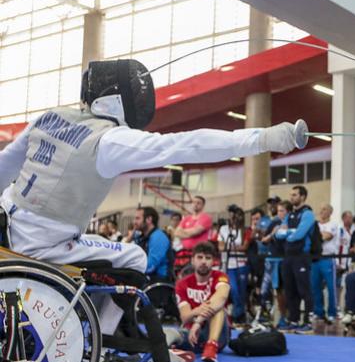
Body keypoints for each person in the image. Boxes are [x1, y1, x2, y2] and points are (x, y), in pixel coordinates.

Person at [0, 58, 305, 338]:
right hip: (42, 244)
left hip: (5, 230)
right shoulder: (109, 139)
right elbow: (188, 145)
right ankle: (102, 335)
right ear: (123, 99)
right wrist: (265, 138)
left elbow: (4, 167)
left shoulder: (50, 118)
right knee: (136, 257)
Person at [174, 242, 231, 362]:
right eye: (200, 257)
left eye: (208, 258)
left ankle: (211, 346)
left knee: (219, 309)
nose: (204, 261)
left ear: (213, 262)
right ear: (192, 260)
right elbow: (184, 317)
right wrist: (197, 310)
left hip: (218, 334)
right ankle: (168, 350)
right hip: (192, 336)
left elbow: (221, 297)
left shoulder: (221, 277)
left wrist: (198, 321)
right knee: (168, 333)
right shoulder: (182, 283)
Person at [275, 186, 316, 333]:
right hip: (288, 256)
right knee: (290, 290)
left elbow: (299, 234)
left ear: (303, 196)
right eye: (291, 195)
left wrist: (288, 233)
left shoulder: (308, 214)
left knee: (304, 289)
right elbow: (278, 233)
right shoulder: (290, 215)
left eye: (295, 195)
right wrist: (289, 232)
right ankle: (294, 319)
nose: (291, 197)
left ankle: (308, 322)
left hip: (301, 256)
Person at [260, 200, 291, 328]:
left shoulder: (293, 222)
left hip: (290, 259)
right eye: (278, 211)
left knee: (290, 290)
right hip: (274, 260)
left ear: (288, 212)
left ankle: (292, 317)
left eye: (282, 211)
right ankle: (282, 317)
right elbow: (264, 240)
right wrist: (274, 233)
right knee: (278, 290)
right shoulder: (275, 222)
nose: (279, 213)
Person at [217, 205, 249, 324]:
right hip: (228, 264)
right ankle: (236, 314)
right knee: (233, 289)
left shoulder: (245, 230)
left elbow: (245, 247)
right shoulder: (224, 229)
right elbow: (220, 247)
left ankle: (240, 314)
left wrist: (228, 246)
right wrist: (233, 247)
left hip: (241, 264)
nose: (234, 218)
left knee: (242, 290)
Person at [312, 203, 338, 322]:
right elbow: (314, 238)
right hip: (315, 259)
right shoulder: (315, 224)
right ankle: (318, 312)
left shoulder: (333, 224)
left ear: (330, 212)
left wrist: (317, 236)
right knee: (315, 286)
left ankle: (332, 312)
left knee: (331, 287)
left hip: (328, 259)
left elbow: (327, 236)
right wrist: (318, 236)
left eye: (324, 209)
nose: (321, 211)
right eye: (321, 209)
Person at [173, 196, 212, 273]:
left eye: (198, 203)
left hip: (199, 253)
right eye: (194, 202)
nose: (196, 204)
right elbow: (176, 233)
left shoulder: (206, 218)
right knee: (182, 276)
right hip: (184, 253)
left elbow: (195, 231)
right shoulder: (186, 218)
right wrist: (190, 233)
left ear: (203, 205)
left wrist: (184, 232)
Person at [133, 206, 170, 281]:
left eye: (137, 218)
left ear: (149, 219)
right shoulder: (143, 237)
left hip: (158, 281)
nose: (134, 222)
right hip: (148, 277)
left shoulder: (158, 237)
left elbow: (150, 266)